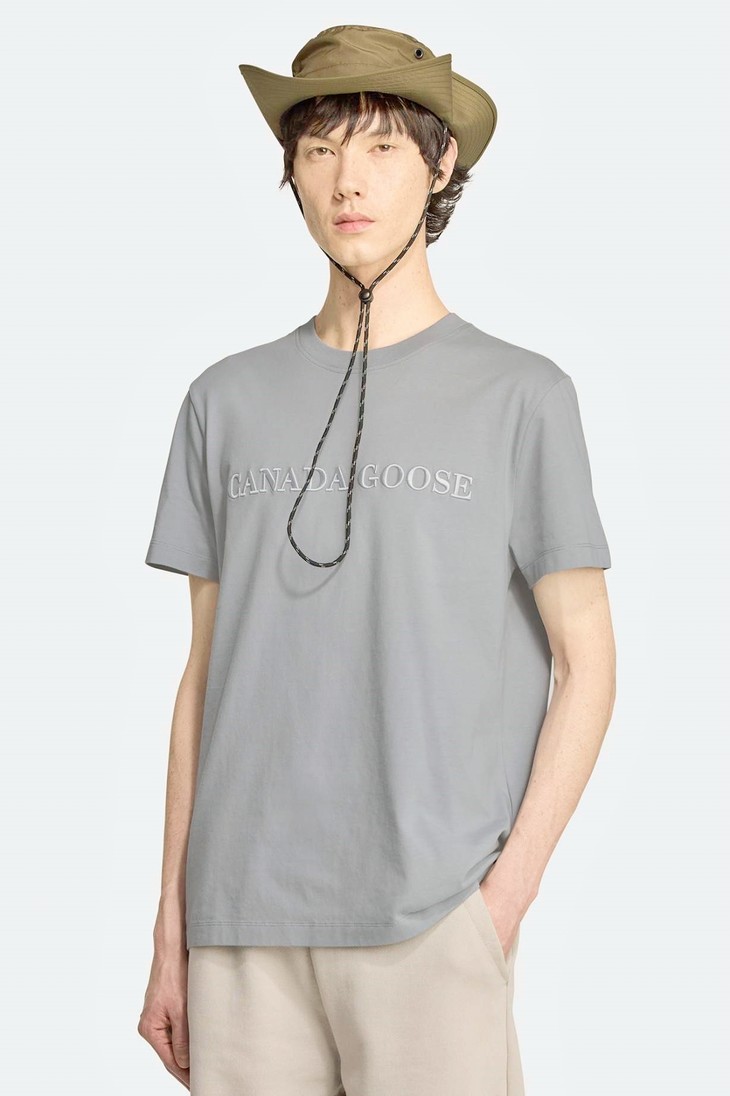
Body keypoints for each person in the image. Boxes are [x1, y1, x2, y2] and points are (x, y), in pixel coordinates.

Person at [137, 24, 616, 1096]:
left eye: (382, 146)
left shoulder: (521, 396)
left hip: (430, 920)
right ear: (293, 173)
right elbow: (203, 679)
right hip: (239, 927)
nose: (346, 179)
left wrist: (501, 902)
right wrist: (171, 928)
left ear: (440, 167)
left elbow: (588, 662)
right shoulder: (222, 400)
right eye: (319, 149)